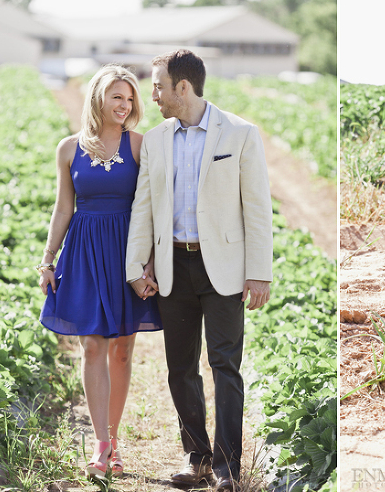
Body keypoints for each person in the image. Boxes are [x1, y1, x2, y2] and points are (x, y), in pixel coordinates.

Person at [125, 49, 273, 491]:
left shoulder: (241, 134)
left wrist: (259, 271)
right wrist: (136, 265)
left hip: (224, 266)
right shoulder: (155, 139)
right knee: (180, 368)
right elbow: (144, 208)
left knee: (225, 365)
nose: (151, 95)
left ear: (182, 88)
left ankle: (228, 469)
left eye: (157, 86)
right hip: (174, 264)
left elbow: (258, 207)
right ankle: (199, 460)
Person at [38, 64, 163, 479]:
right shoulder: (68, 149)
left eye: (130, 99)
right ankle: (102, 445)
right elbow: (63, 208)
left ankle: (114, 435)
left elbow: (152, 208)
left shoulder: (141, 146)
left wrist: (149, 263)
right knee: (92, 346)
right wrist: (48, 259)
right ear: (98, 99)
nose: (125, 105)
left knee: (123, 349)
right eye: (117, 97)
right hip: (85, 252)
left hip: (127, 252)